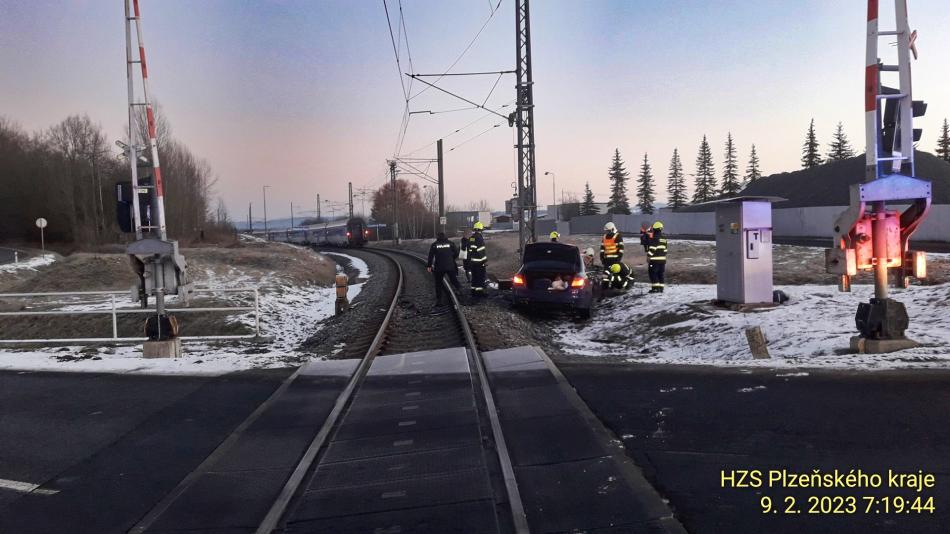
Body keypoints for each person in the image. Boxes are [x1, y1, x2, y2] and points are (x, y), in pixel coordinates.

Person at [427, 232, 461, 307]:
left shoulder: (434, 245)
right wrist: (451, 258)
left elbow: (430, 256)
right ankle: (460, 292)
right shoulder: (451, 243)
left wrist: (429, 266)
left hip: (439, 267)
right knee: (454, 280)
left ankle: (439, 301)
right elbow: (456, 253)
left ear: (437, 237)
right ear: (445, 237)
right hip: (450, 266)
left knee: (438, 283)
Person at [646, 221, 668, 293]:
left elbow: (652, 248)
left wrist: (648, 256)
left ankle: (655, 288)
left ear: (654, 229)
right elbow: (665, 250)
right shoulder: (664, 238)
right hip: (662, 260)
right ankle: (661, 288)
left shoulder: (655, 237)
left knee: (653, 273)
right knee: (660, 274)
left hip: (655, 260)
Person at [468, 221, 488, 297]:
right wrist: (485, 261)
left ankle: (473, 291)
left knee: (474, 277)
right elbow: (481, 251)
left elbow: (469, 250)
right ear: (480, 230)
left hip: (472, 261)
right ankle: (479, 293)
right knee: (480, 277)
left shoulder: (471, 238)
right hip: (479, 262)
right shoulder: (479, 238)